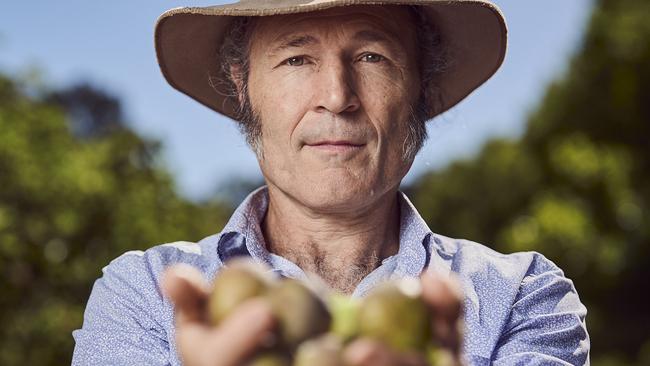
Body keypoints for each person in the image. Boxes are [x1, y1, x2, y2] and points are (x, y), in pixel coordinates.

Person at [72, 1, 590, 365]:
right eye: (296, 58)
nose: (337, 96)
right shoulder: (144, 293)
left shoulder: (522, 296)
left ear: (421, 88)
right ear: (242, 83)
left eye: (372, 57)